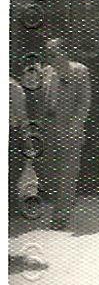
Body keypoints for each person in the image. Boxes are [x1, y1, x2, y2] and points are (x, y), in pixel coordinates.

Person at [43, 38, 91, 229]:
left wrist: (76, 124)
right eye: (48, 54)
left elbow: (84, 101)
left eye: (53, 53)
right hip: (49, 126)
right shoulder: (47, 71)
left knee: (67, 172)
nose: (50, 57)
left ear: (64, 53)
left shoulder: (79, 71)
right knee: (51, 172)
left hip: (69, 127)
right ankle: (64, 204)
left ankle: (61, 216)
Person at [9, 75, 34, 219]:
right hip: (12, 132)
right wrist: (27, 140)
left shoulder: (13, 87)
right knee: (12, 172)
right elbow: (22, 117)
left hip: (12, 133)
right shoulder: (13, 87)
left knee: (12, 172)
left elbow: (21, 117)